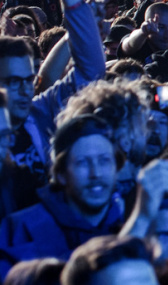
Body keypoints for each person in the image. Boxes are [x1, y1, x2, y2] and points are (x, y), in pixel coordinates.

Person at [0, 115, 124, 279]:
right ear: (61, 174)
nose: (96, 173)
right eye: (83, 163)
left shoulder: (127, 220)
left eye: (104, 161)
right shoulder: (21, 228)